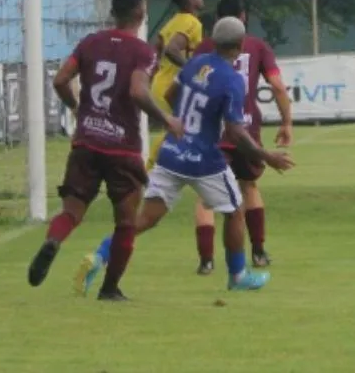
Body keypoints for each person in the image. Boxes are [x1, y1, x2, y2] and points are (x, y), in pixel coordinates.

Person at [75, 17, 294, 300]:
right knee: (235, 211)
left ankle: (99, 256)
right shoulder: (232, 80)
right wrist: (267, 156)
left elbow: (169, 93)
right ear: (240, 45)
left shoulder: (193, 63)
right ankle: (238, 275)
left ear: (214, 41)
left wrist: (181, 122)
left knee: (146, 218)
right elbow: (236, 133)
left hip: (172, 152)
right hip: (204, 159)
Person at [27, 0, 183, 290]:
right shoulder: (142, 51)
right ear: (141, 12)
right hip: (121, 148)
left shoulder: (91, 42)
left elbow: (61, 80)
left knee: (72, 211)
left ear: (114, 12)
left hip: (86, 141)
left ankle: (53, 242)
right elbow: (138, 91)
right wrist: (166, 118)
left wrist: (77, 108)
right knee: (125, 223)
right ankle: (110, 289)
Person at [188, 0, 294, 274]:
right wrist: (287, 122)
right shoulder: (257, 46)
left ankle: (206, 261)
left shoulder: (203, 49)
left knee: (205, 197)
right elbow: (277, 85)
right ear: (243, 18)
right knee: (249, 188)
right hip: (246, 129)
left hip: (213, 132)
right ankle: (258, 252)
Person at [147, 0, 205, 170]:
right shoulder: (191, 22)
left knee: (179, 129)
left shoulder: (173, 21)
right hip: (171, 87)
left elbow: (157, 46)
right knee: (176, 129)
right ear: (190, 0)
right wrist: (192, 69)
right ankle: (145, 171)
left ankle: (162, 171)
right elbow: (171, 49)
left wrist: (153, 73)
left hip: (162, 83)